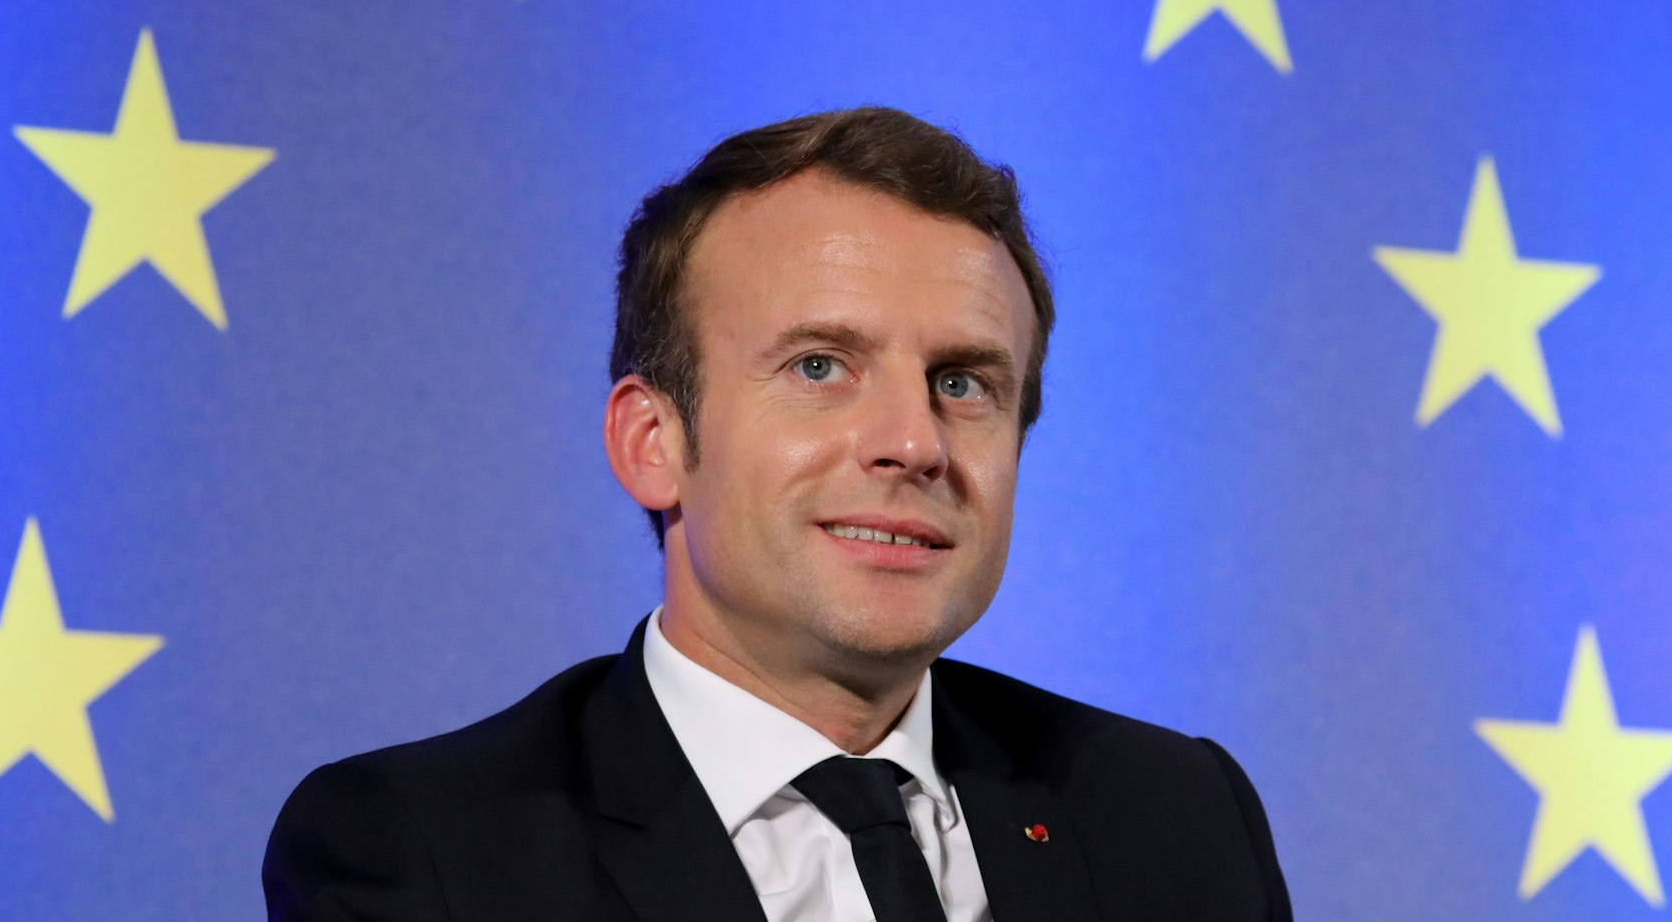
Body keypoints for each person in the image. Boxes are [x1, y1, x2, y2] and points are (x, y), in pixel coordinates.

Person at [262, 108, 1291, 920]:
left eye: (964, 382)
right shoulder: (431, 853)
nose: (913, 442)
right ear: (651, 442)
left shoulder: (1169, 817)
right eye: (818, 366)